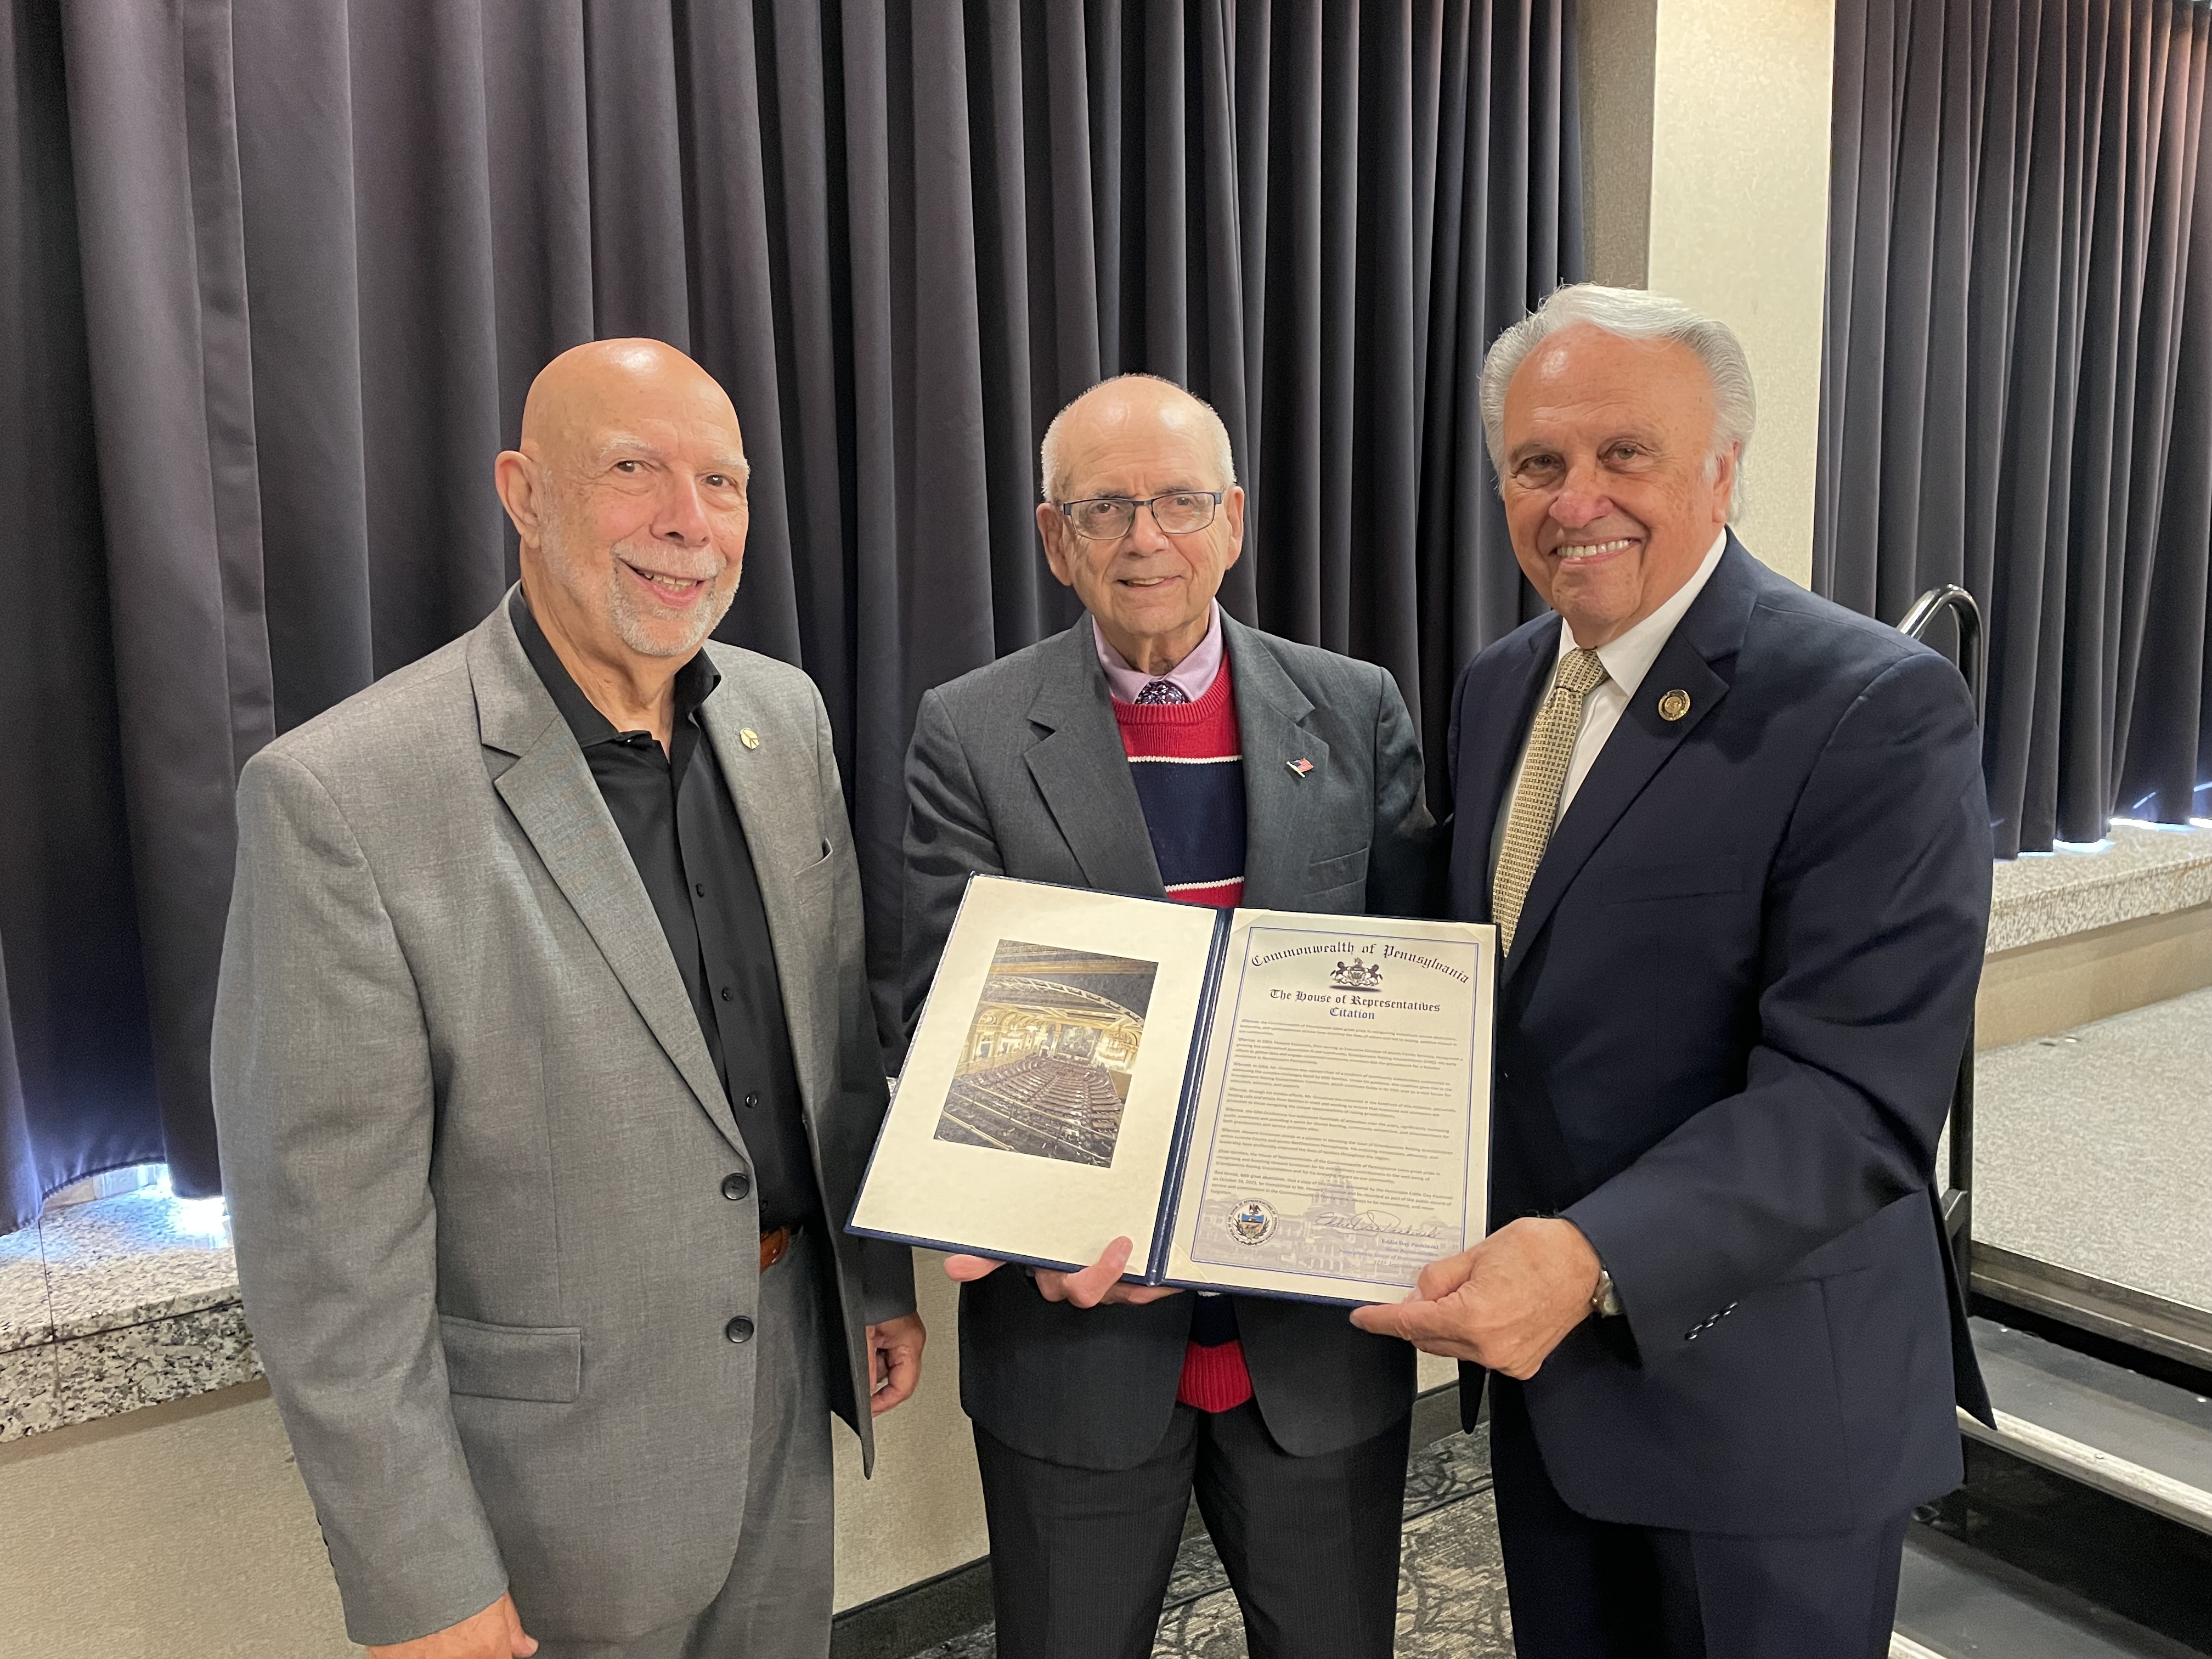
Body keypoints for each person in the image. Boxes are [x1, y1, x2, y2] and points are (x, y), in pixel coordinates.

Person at [212, 340, 924, 1659]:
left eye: (723, 482)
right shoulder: (345, 795)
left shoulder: (784, 717)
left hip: (787, 1377)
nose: (688, 523)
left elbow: (833, 1044)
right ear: (523, 494)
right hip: (551, 1482)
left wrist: (872, 1280)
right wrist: (421, 1578)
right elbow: (328, 1254)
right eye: (633, 470)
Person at [1353, 284, 1991, 1657]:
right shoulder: (1502, 684)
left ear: (1721, 468)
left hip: (1767, 1412)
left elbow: (1854, 1099)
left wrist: (1589, 1260)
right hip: (1557, 1397)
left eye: (1624, 453)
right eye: (1537, 461)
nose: (1576, 498)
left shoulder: (1872, 705)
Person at [899, 374, 1438, 1659]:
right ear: (1055, 537)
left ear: (1233, 521)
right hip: (1075, 1346)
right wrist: (1037, 1211)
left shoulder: (1354, 709)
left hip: (1314, 1345)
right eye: (1105, 508)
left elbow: (1414, 1001)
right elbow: (946, 1015)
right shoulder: (971, 732)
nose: (1146, 537)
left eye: (1181, 502)